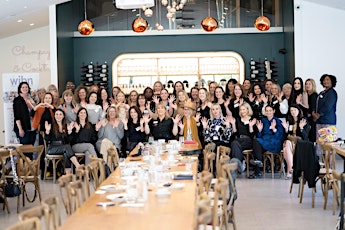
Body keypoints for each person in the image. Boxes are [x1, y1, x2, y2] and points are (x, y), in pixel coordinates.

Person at [250, 105, 285, 179]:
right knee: (256, 142)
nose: (268, 112)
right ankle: (258, 165)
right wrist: (259, 130)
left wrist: (274, 129)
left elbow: (280, 136)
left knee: (257, 143)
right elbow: (259, 136)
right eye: (267, 111)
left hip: (274, 142)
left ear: (273, 111)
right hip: (264, 141)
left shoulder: (278, 121)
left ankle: (257, 170)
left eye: (270, 110)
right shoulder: (263, 121)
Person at [44, 109, 81, 174]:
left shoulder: (66, 126)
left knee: (66, 153)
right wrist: (47, 131)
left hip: (63, 147)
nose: (58, 116)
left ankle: (68, 175)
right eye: (57, 114)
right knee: (67, 147)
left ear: (63, 116)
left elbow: (68, 140)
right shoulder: (51, 126)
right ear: (54, 116)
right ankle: (78, 166)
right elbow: (47, 140)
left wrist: (69, 132)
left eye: (60, 114)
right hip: (52, 148)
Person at [282, 104, 308, 179]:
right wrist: (286, 130)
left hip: (300, 142)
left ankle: (289, 170)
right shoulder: (289, 121)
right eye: (291, 110)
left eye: (295, 110)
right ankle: (291, 168)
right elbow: (286, 136)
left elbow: (305, 137)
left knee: (286, 148)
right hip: (290, 142)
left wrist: (301, 128)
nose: (293, 112)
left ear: (298, 111)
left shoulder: (303, 120)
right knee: (287, 143)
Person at [230, 103, 256, 173]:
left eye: (243, 109)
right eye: (241, 110)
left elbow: (252, 135)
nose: (242, 111)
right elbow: (235, 132)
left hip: (248, 140)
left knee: (235, 145)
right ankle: (240, 163)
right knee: (235, 144)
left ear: (248, 110)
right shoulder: (237, 120)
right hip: (238, 139)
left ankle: (238, 164)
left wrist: (250, 126)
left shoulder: (252, 119)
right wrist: (233, 124)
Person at [314, 74, 338, 142]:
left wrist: (319, 114)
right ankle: (318, 153)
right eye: (324, 80)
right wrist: (314, 114)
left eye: (327, 80)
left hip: (328, 121)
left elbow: (328, 106)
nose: (325, 81)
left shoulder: (332, 93)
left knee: (328, 143)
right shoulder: (322, 93)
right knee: (319, 142)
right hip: (319, 121)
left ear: (332, 81)